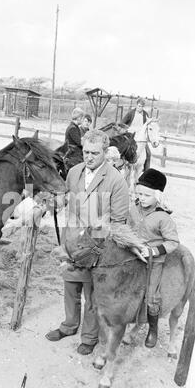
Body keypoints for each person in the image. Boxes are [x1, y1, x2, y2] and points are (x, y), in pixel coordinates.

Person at [46, 129, 130, 355]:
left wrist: (96, 239)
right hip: (72, 242)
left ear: (105, 152)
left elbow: (119, 221)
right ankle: (69, 325)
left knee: (92, 295)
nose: (89, 157)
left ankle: (90, 337)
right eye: (86, 151)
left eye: (94, 152)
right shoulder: (74, 172)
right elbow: (66, 200)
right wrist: (55, 203)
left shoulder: (116, 181)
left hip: (98, 247)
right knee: (70, 286)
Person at [129, 168, 179, 348]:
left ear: (157, 196)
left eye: (146, 195)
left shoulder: (163, 217)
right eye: (139, 193)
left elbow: (173, 242)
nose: (141, 198)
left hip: (153, 262)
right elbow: (126, 229)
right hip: (132, 256)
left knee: (151, 295)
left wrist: (154, 251)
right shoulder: (133, 209)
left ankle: (153, 329)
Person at [121, 97, 152, 171]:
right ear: (136, 105)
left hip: (141, 137)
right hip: (131, 135)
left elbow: (148, 125)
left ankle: (146, 170)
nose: (140, 108)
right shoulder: (130, 113)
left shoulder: (145, 114)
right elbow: (122, 123)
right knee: (123, 149)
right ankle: (120, 164)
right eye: (139, 106)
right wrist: (127, 129)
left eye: (142, 106)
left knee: (148, 153)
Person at [62, 107, 85, 171]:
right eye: (82, 118)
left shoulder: (74, 127)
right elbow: (79, 142)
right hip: (73, 154)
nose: (83, 120)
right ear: (79, 118)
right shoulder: (73, 128)